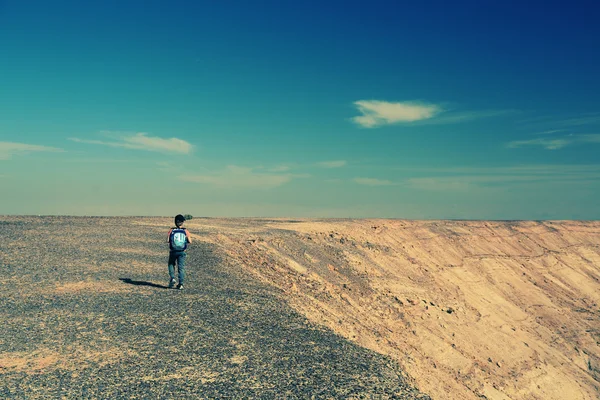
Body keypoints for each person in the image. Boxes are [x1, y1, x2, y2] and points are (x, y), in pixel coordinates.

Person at [167, 214, 191, 290]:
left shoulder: (171, 230)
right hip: (182, 251)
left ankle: (172, 278)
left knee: (171, 264)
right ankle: (181, 284)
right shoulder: (185, 230)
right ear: (182, 222)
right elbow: (190, 241)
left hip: (173, 251)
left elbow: (167, 240)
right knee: (181, 267)